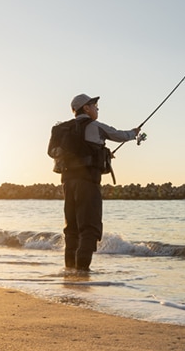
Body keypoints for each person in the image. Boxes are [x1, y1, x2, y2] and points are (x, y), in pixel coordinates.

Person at [60, 94, 140, 272]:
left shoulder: (65, 129)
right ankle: (82, 271)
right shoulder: (95, 126)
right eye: (94, 105)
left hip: (67, 183)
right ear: (86, 108)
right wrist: (134, 133)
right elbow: (119, 135)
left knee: (71, 227)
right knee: (89, 227)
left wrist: (101, 154)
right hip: (88, 183)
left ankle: (70, 270)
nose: (97, 108)